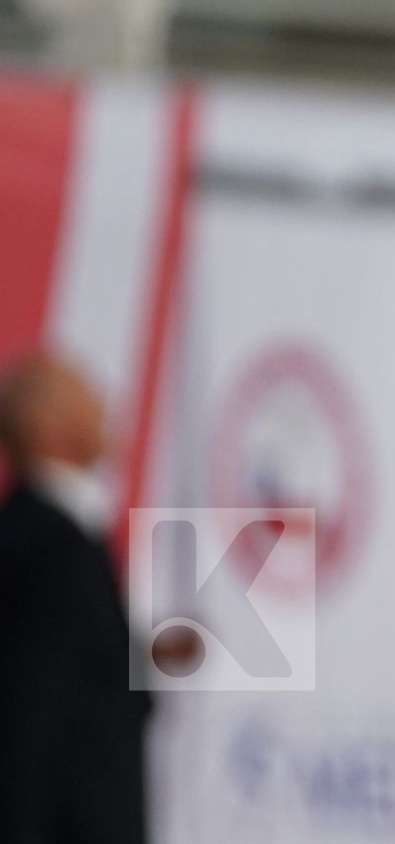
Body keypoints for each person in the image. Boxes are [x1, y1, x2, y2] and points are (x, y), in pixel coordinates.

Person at [0, 351, 151, 844]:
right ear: (43, 428)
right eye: (82, 400)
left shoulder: (60, 534)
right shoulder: (48, 546)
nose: (104, 410)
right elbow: (30, 716)